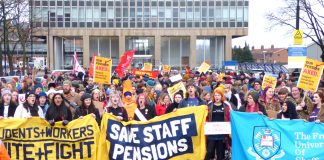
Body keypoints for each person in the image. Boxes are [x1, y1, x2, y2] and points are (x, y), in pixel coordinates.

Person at [205, 87, 231, 160]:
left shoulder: (226, 106)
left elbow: (229, 118)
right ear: (213, 96)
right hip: (211, 133)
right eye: (215, 95)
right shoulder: (209, 105)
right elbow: (206, 117)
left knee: (220, 155)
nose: (217, 97)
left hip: (222, 134)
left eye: (218, 95)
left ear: (222, 96)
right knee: (209, 152)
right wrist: (205, 123)